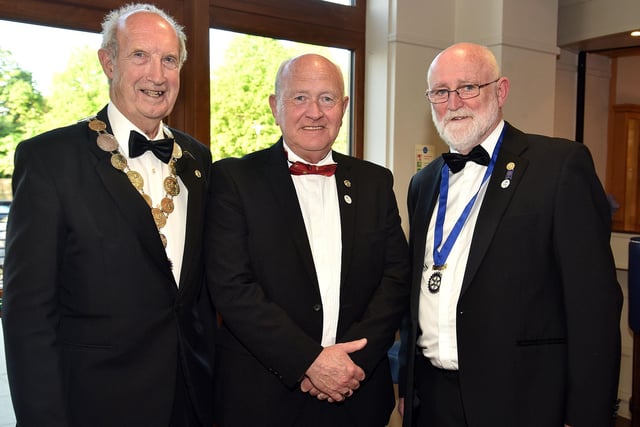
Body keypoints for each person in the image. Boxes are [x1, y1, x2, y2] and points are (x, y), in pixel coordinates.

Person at [2, 4, 214, 426]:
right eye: (140, 55)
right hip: (94, 404)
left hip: (190, 400)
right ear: (108, 61)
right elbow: (28, 314)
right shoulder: (49, 159)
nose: (157, 74)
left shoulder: (198, 159)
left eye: (169, 59)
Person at [398, 42, 622, 427]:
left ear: (500, 91)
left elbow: (594, 307)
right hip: (432, 399)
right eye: (440, 91)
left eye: (468, 87)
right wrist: (408, 384)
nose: (453, 102)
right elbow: (416, 291)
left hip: (524, 400)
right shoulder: (424, 181)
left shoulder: (559, 166)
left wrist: (585, 414)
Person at [205, 53, 410, 427]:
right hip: (263, 399)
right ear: (275, 107)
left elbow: (395, 280)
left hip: (357, 394)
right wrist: (309, 362)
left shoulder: (375, 182)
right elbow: (232, 287)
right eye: (299, 97)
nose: (314, 112)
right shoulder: (234, 180)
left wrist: (350, 366)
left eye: (327, 98)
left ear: (343, 107)